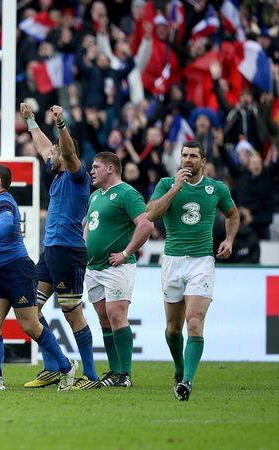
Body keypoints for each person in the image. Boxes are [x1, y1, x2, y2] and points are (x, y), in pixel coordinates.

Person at [0, 164, 78, 390]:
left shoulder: (4, 201)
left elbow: (6, 223)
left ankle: (67, 367)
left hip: (18, 269)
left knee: (30, 325)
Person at [146, 141, 239, 401]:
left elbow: (233, 215)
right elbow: (151, 214)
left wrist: (229, 240)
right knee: (173, 329)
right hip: (172, 261)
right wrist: (176, 187)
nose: (187, 160)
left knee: (194, 322)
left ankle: (186, 381)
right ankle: (179, 367)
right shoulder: (166, 184)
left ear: (203, 161)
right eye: (184, 155)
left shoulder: (216, 188)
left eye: (193, 156)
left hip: (202, 262)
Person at [22, 103, 99, 390]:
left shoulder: (77, 178)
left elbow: (64, 151)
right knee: (31, 310)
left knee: (71, 311)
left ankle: (90, 375)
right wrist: (30, 120)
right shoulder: (57, 174)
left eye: (54, 153)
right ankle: (54, 366)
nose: (48, 155)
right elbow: (44, 146)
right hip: (51, 251)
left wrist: (61, 125)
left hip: (69, 251)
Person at [86, 152, 154, 387]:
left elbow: (146, 225)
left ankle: (125, 374)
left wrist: (125, 253)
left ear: (111, 169)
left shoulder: (127, 193)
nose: (92, 171)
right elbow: (89, 226)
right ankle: (114, 371)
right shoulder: (95, 196)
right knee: (104, 319)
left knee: (116, 315)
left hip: (117, 267)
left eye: (96, 167)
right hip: (93, 266)